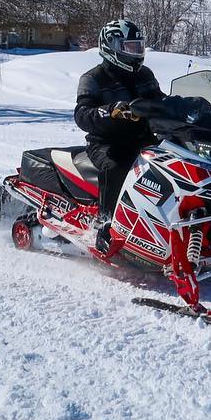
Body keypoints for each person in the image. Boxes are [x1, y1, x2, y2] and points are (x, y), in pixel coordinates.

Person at [73, 20, 165, 253]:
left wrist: (187, 105)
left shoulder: (144, 75)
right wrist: (110, 111)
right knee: (116, 166)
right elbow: (82, 115)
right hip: (107, 142)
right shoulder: (93, 78)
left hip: (143, 139)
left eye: (138, 47)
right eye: (130, 47)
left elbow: (160, 101)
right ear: (111, 46)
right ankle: (105, 226)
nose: (136, 53)